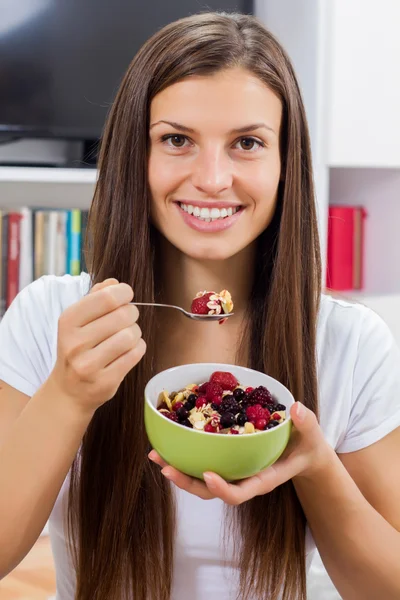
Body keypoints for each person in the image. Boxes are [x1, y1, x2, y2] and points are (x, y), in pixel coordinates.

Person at [0, 11, 399, 600]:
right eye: (177, 140)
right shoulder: (51, 319)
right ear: (135, 156)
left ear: (286, 164)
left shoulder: (350, 344)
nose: (212, 178)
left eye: (247, 143)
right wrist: (68, 391)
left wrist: (315, 467)